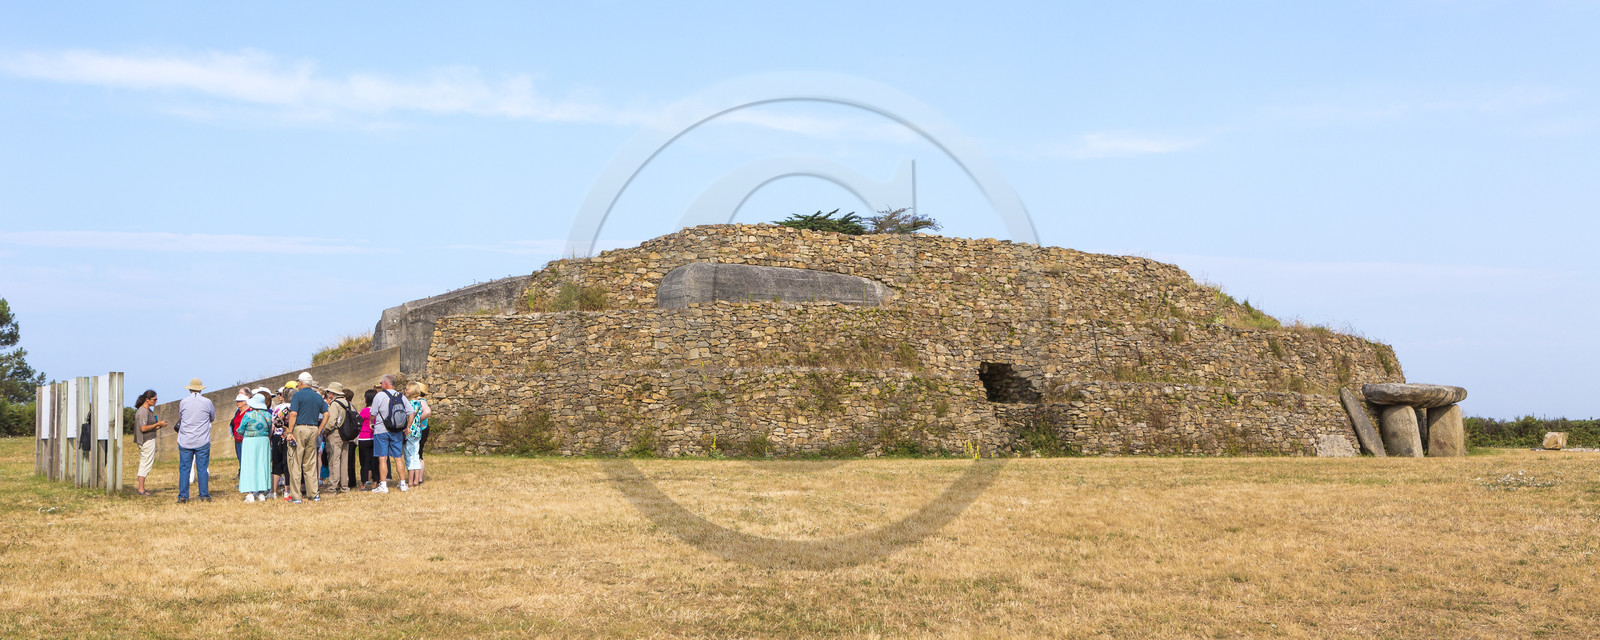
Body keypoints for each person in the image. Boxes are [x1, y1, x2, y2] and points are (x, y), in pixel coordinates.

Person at [285, 371, 328, 503]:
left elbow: (293, 414)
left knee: (295, 462)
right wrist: (319, 430)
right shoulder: (317, 396)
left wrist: (290, 432)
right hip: (313, 428)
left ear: (301, 383)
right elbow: (326, 414)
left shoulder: (298, 395)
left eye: (298, 382)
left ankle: (296, 496)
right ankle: (314, 494)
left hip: (299, 428)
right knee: (310, 463)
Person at [174, 377, 215, 503]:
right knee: (202, 468)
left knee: (185, 468)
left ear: (190, 389)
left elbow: (182, 416)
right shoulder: (207, 402)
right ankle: (204, 494)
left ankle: (183, 495)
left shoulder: (183, 402)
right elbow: (212, 417)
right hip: (202, 439)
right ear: (201, 389)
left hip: (186, 439)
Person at [369, 375, 412, 493]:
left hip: (381, 430)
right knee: (398, 457)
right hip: (397, 430)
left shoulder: (379, 395)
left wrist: (370, 422)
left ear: (385, 383)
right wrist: (408, 426)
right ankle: (403, 483)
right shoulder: (401, 396)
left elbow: (373, 412)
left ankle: (383, 485)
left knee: (382, 458)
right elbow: (411, 412)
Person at [130, 389, 168, 496]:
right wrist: (157, 424)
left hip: (149, 439)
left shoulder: (147, 410)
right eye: (154, 399)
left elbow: (149, 428)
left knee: (146, 463)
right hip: (146, 441)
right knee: (145, 464)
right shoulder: (143, 411)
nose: (156, 401)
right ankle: (141, 489)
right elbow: (143, 428)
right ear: (147, 399)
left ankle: (142, 488)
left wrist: (158, 426)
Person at [238, 392, 273, 502]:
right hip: (264, 441)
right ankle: (262, 492)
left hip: (250, 441)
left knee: (249, 465)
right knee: (263, 464)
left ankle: (250, 493)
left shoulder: (248, 415)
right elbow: (270, 428)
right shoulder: (268, 415)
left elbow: (240, 429)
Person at [321, 382, 353, 494]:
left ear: (333, 393)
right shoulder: (347, 403)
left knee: (334, 460)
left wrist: (325, 431)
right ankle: (344, 486)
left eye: (329, 392)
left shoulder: (335, 404)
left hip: (335, 434)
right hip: (346, 434)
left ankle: (332, 487)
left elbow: (332, 421)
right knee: (344, 461)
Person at [403, 382, 431, 487]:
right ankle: (416, 479)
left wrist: (414, 422)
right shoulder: (420, 402)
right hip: (418, 431)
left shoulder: (415, 402)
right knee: (416, 455)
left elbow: (427, 412)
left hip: (412, 431)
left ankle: (413, 480)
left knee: (412, 455)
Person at [270, 385, 294, 499]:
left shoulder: (278, 408)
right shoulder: (293, 408)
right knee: (288, 464)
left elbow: (275, 421)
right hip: (288, 436)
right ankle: (286, 491)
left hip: (276, 437)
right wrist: (287, 428)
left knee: (276, 464)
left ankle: (273, 491)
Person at [358, 388, 378, 490]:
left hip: (363, 438)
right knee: (375, 462)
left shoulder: (364, 411)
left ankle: (363, 484)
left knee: (364, 462)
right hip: (374, 438)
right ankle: (375, 482)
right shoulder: (377, 411)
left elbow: (359, 422)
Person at [229, 388, 248, 480]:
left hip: (245, 439)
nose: (238, 403)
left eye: (240, 401)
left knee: (246, 460)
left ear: (245, 402)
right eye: (237, 401)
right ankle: (243, 478)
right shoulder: (238, 412)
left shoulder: (248, 412)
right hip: (237, 439)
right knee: (240, 459)